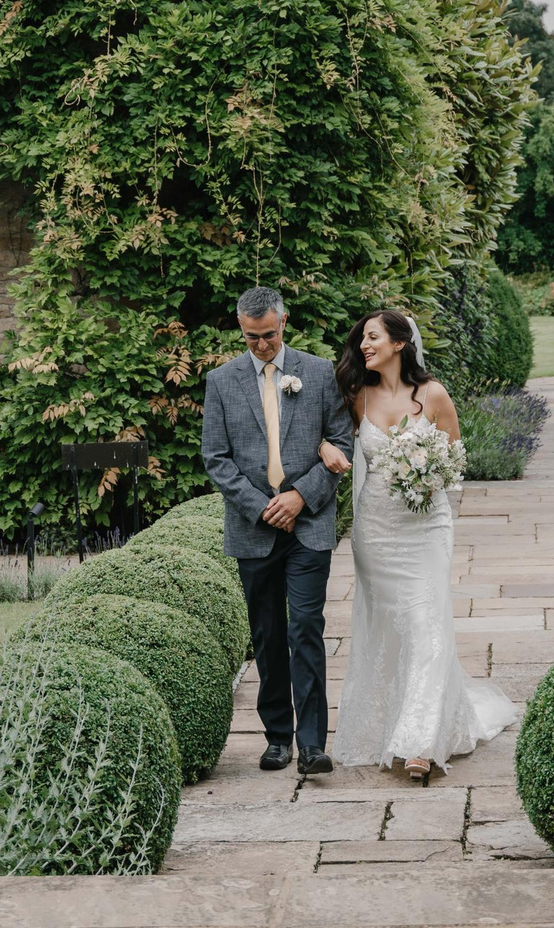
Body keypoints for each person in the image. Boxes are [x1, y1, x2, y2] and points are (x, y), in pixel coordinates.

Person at [318, 309, 517, 784]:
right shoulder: (357, 397)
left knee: (427, 624)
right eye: (362, 339)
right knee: (386, 629)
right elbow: (327, 441)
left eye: (372, 337)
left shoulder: (433, 395)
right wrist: (328, 450)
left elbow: (454, 461)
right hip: (375, 532)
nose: (364, 345)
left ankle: (420, 743)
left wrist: (430, 481)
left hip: (425, 531)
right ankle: (384, 724)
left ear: (399, 343)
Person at [199, 284, 355, 776]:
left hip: (308, 524)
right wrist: (264, 506)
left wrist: (299, 497)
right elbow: (216, 459)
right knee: (265, 634)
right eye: (251, 338)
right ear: (240, 329)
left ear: (283, 323)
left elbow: (341, 442)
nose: (262, 346)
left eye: (268, 335)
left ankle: (312, 743)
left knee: (305, 627)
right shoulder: (220, 382)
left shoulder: (318, 371)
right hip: (255, 527)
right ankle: (276, 738)